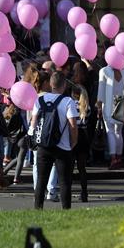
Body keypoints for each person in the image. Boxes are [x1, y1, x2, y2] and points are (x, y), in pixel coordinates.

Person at [29, 71, 79, 210]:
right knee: (64, 181)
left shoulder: (39, 100)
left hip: (43, 146)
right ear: (64, 85)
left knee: (41, 180)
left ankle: (38, 208)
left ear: (50, 84)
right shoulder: (68, 101)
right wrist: (73, 142)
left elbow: (33, 122)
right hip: (62, 147)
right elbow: (73, 125)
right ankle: (66, 209)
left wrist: (33, 139)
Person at [96, 62, 124, 170]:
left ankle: (113, 158)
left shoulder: (104, 71)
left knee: (110, 131)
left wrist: (99, 106)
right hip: (121, 106)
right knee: (118, 132)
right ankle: (119, 158)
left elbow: (101, 91)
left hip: (108, 105)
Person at [71, 83, 91, 201]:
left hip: (74, 134)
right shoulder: (86, 106)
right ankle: (84, 193)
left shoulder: (72, 104)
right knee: (82, 167)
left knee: (69, 166)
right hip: (84, 136)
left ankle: (67, 190)